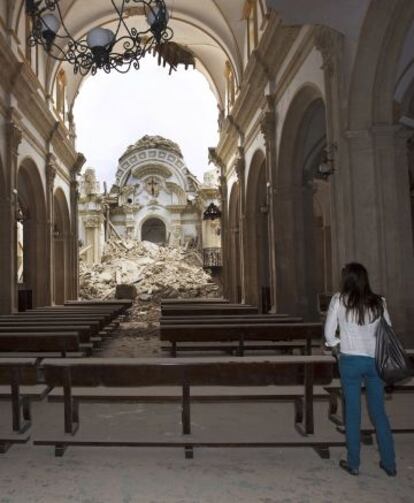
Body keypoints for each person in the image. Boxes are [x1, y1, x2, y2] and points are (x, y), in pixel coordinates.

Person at [324, 262, 396, 477]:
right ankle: (389, 464)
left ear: (346, 279)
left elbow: (329, 334)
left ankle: (354, 463)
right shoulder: (379, 302)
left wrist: (337, 347)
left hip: (350, 361)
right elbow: (388, 331)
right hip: (375, 361)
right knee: (379, 413)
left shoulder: (339, 300)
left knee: (353, 413)